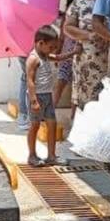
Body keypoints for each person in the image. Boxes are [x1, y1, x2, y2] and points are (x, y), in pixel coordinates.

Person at [26, 25, 73, 167]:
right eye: (51, 47)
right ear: (41, 43)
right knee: (34, 126)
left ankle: (51, 156)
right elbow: (30, 80)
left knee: (52, 125)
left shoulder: (46, 55)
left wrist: (73, 52)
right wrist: (34, 100)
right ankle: (32, 155)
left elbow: (58, 57)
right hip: (37, 97)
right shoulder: (33, 59)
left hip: (47, 96)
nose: (52, 50)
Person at [65, 0, 110, 108]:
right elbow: (67, 28)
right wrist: (88, 35)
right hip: (86, 60)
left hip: (108, 59)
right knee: (87, 103)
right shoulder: (79, 3)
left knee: (107, 100)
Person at [52, 0, 83, 120]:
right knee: (71, 88)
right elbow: (61, 38)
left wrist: (59, 53)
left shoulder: (74, 19)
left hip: (73, 55)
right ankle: (69, 117)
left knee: (69, 87)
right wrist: (58, 54)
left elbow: (61, 38)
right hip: (71, 56)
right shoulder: (69, 19)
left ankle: (71, 116)